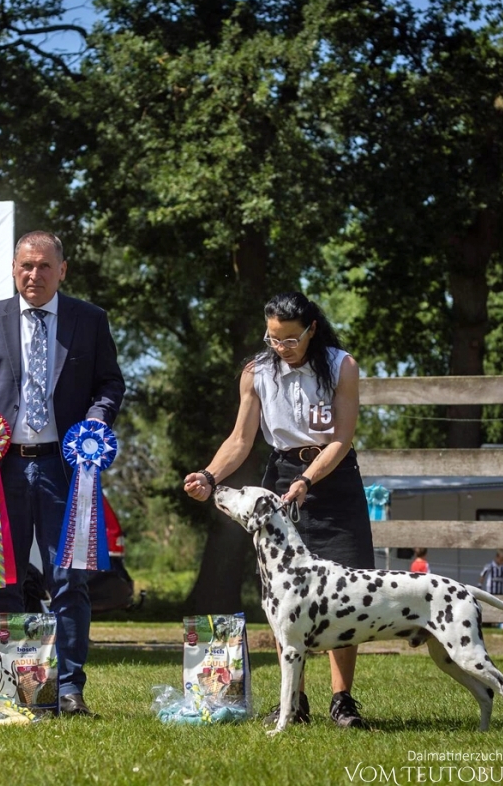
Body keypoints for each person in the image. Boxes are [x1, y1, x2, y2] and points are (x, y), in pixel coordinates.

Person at [0, 230, 125, 717]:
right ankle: (1, 682)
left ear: (62, 270)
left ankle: (70, 689)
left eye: (45, 266)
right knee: (2, 583)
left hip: (65, 469)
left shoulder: (90, 320)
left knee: (69, 581)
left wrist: (97, 419)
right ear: (13, 267)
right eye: (26, 265)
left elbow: (110, 383)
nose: (34, 274)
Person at [182, 291, 372, 730]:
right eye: (272, 339)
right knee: (286, 595)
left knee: (346, 585)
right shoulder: (256, 372)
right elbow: (240, 440)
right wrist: (209, 476)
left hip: (334, 476)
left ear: (311, 330)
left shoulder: (342, 366)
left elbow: (341, 438)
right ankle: (296, 702)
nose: (280, 348)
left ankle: (342, 700)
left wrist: (310, 479)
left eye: (289, 339)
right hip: (282, 476)